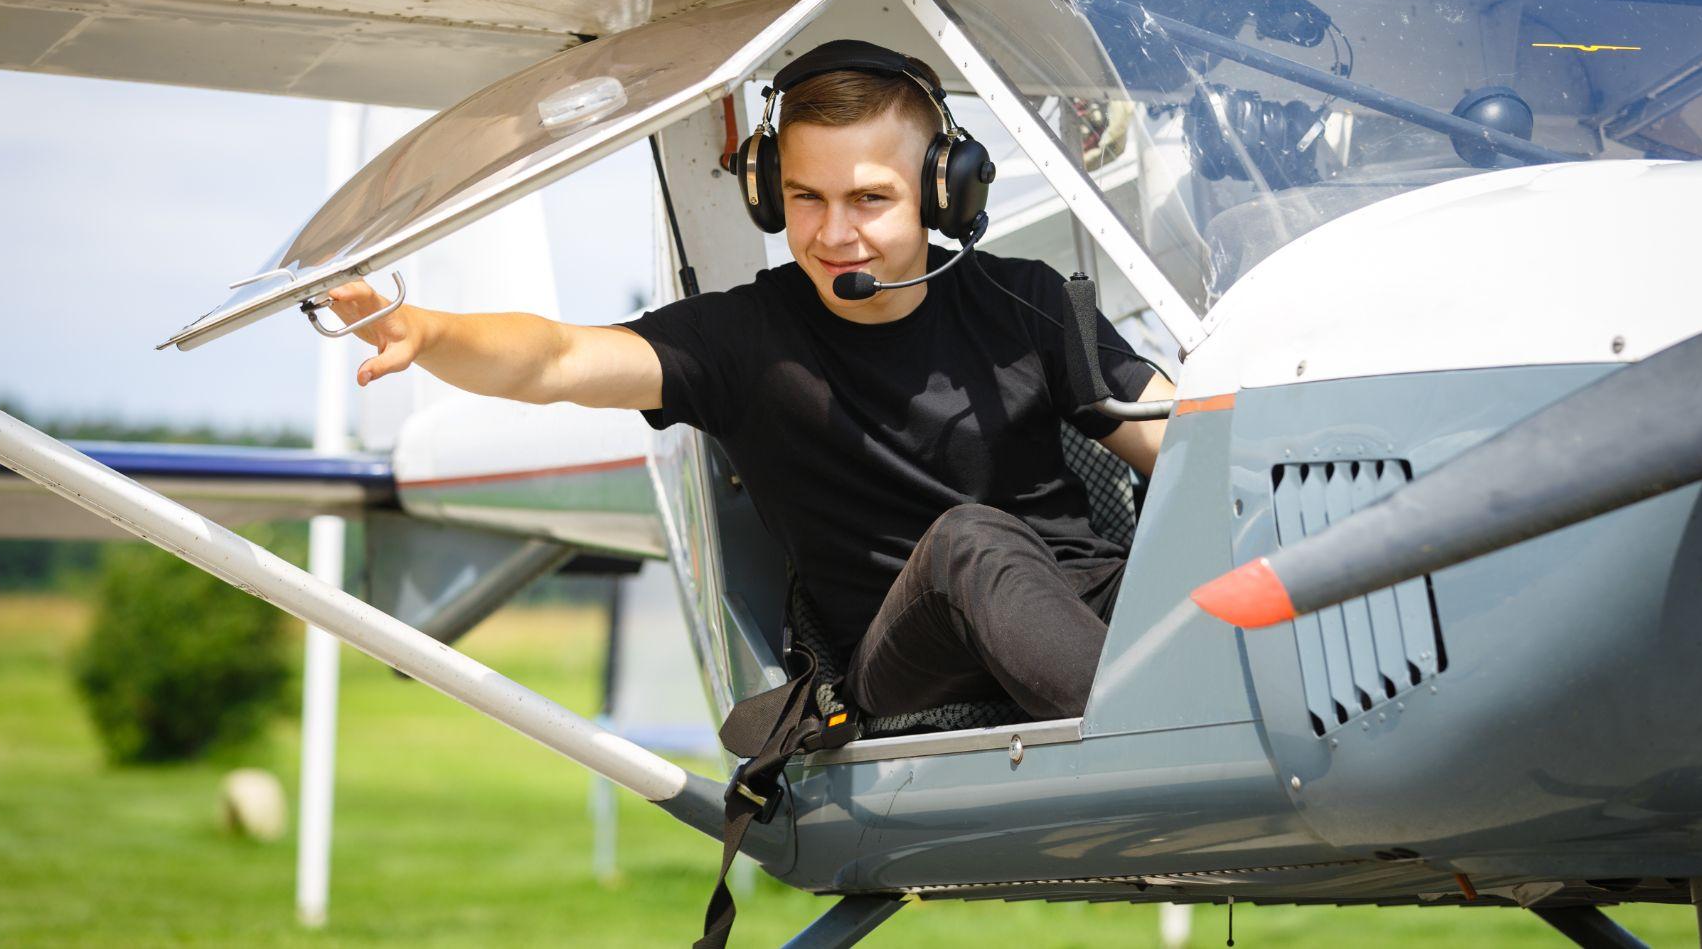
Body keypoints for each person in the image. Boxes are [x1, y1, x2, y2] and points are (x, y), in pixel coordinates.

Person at [321, 40, 1174, 722]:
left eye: (868, 199)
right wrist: (427, 331)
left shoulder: (1025, 299)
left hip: (1078, 601)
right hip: (908, 649)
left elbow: (1187, 448)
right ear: (770, 194)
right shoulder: (744, 338)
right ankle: (1153, 738)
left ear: (940, 191)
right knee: (970, 540)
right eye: (805, 197)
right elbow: (558, 357)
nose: (834, 232)